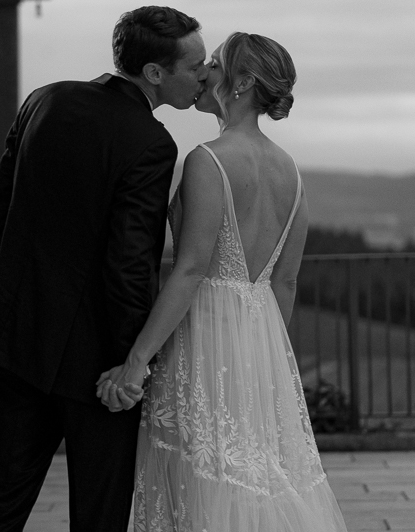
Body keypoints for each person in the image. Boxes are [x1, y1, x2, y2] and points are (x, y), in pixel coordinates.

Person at [0, 6, 207, 532]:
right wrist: (130, 365)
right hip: (97, 361)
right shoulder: (151, 142)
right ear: (156, 73)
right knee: (100, 510)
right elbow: (130, 262)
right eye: (195, 66)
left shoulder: (45, 99)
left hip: (18, 338)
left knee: (2, 493)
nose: (202, 77)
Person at [98, 32, 348, 532]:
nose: (204, 72)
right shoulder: (291, 173)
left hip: (204, 337)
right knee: (253, 477)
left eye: (214, 63)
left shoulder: (207, 160)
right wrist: (266, 360)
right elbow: (286, 283)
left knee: (201, 478)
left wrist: (135, 363)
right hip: (260, 343)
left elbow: (190, 270)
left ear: (242, 82)